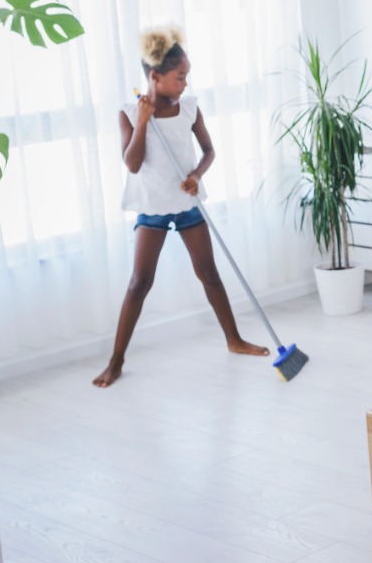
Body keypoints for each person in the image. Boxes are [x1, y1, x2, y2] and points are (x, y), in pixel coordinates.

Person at [93, 26, 268, 388]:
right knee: (140, 282)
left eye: (186, 76)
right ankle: (116, 360)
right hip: (153, 208)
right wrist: (143, 123)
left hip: (187, 203)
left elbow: (209, 151)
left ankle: (234, 340)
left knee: (209, 272)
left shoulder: (189, 107)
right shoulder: (129, 113)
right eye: (179, 77)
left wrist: (196, 175)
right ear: (155, 77)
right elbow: (132, 163)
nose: (185, 84)